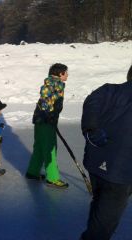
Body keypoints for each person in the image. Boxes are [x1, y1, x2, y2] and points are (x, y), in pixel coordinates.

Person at [80, 65, 132, 240]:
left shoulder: (111, 89)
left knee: (99, 203)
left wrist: (90, 129)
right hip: (120, 174)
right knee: (102, 228)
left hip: (95, 163)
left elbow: (92, 101)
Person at [25, 63, 69, 189]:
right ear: (60, 74)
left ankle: (32, 172)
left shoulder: (53, 83)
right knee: (50, 149)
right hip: (45, 121)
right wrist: (49, 114)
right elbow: (45, 99)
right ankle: (53, 179)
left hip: (42, 120)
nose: (67, 75)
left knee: (39, 146)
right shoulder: (53, 83)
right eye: (66, 73)